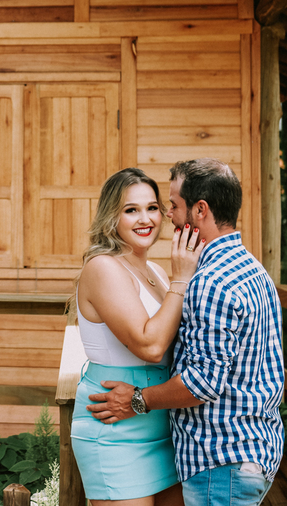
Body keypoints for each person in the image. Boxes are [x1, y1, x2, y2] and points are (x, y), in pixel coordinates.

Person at [87, 158, 284, 506]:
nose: (165, 215)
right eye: (132, 209)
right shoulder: (251, 268)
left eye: (169, 206)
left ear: (200, 210)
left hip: (220, 455)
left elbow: (202, 382)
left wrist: (138, 399)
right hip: (236, 449)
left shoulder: (205, 280)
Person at [69, 167, 203, 506]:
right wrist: (182, 278)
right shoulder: (103, 267)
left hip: (161, 422)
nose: (145, 219)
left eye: (152, 207)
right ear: (111, 216)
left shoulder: (155, 271)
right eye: (131, 210)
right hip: (115, 429)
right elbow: (151, 346)